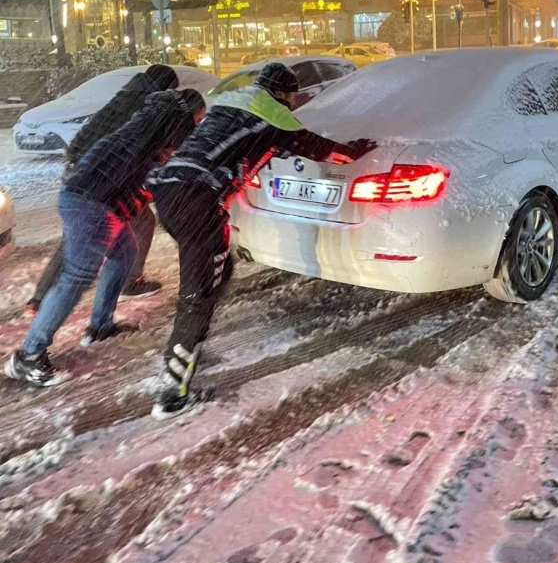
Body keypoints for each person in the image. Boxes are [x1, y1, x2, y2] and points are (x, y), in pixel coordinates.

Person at [148, 62, 375, 420]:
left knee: (218, 273)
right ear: (283, 94)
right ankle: (172, 392)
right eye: (292, 97)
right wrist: (355, 149)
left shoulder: (229, 106)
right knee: (198, 293)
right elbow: (315, 148)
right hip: (198, 197)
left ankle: (191, 344)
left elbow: (247, 145)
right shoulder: (271, 114)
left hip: (170, 191)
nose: (293, 104)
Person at [5, 88, 206, 388]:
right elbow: (171, 164)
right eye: (198, 119)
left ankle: (100, 326)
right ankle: (29, 355)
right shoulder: (161, 127)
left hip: (91, 197)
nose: (197, 126)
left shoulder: (147, 122)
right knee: (77, 276)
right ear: (188, 116)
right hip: (93, 204)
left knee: (125, 251)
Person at [24, 64, 180, 318]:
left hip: (80, 168)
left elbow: (93, 134)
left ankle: (40, 297)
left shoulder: (126, 95)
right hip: (97, 175)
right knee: (125, 228)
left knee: (80, 236)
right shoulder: (145, 106)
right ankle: (128, 283)